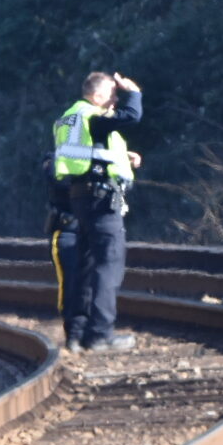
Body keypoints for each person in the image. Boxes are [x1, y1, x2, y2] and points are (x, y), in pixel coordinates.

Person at [51, 71, 142, 353]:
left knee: (86, 264)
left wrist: (122, 158)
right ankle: (101, 333)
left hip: (80, 196)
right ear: (98, 96)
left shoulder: (68, 117)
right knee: (109, 264)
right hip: (102, 201)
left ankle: (75, 333)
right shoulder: (94, 115)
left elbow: (85, 152)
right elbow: (132, 116)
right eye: (112, 95)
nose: (115, 100)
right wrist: (133, 92)